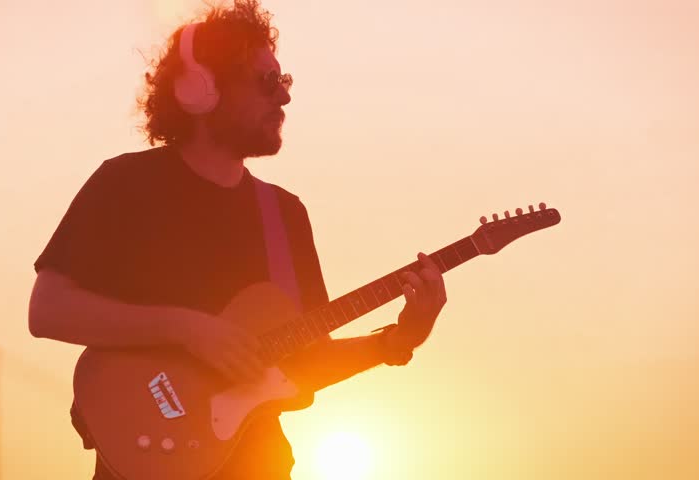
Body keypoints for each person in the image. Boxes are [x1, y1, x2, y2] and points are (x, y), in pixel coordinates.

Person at [28, 1, 447, 478]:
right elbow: (47, 310)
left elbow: (305, 362)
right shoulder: (125, 184)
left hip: (260, 465)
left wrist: (400, 339)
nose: (284, 98)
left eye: (284, 81)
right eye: (267, 82)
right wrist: (184, 328)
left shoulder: (285, 214)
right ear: (201, 90)